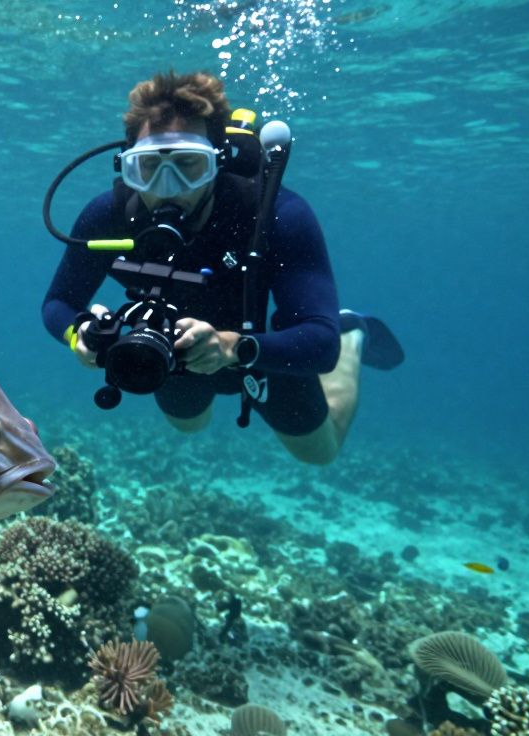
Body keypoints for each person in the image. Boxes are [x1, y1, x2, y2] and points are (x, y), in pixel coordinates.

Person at [42, 70, 401, 465]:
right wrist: (80, 333)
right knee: (188, 425)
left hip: (264, 347)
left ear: (218, 162)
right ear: (127, 165)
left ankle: (354, 330)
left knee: (320, 453)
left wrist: (232, 346)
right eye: (148, 167)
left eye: (189, 165)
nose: (168, 185)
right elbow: (59, 302)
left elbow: (320, 344)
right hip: (177, 351)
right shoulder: (106, 217)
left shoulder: (277, 215)